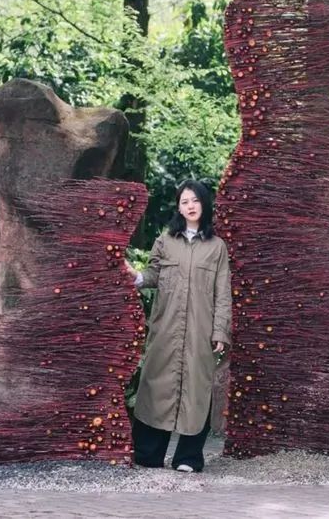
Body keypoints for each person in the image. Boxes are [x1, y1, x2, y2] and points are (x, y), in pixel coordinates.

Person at [125, 180, 232, 472]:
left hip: (201, 329)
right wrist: (135, 277)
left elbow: (222, 292)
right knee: (156, 384)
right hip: (166, 326)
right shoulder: (165, 240)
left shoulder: (217, 247)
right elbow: (153, 273)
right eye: (184, 201)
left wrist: (220, 331)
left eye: (195, 200)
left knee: (197, 389)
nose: (190, 206)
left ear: (204, 204)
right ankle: (148, 454)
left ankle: (188, 458)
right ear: (179, 207)